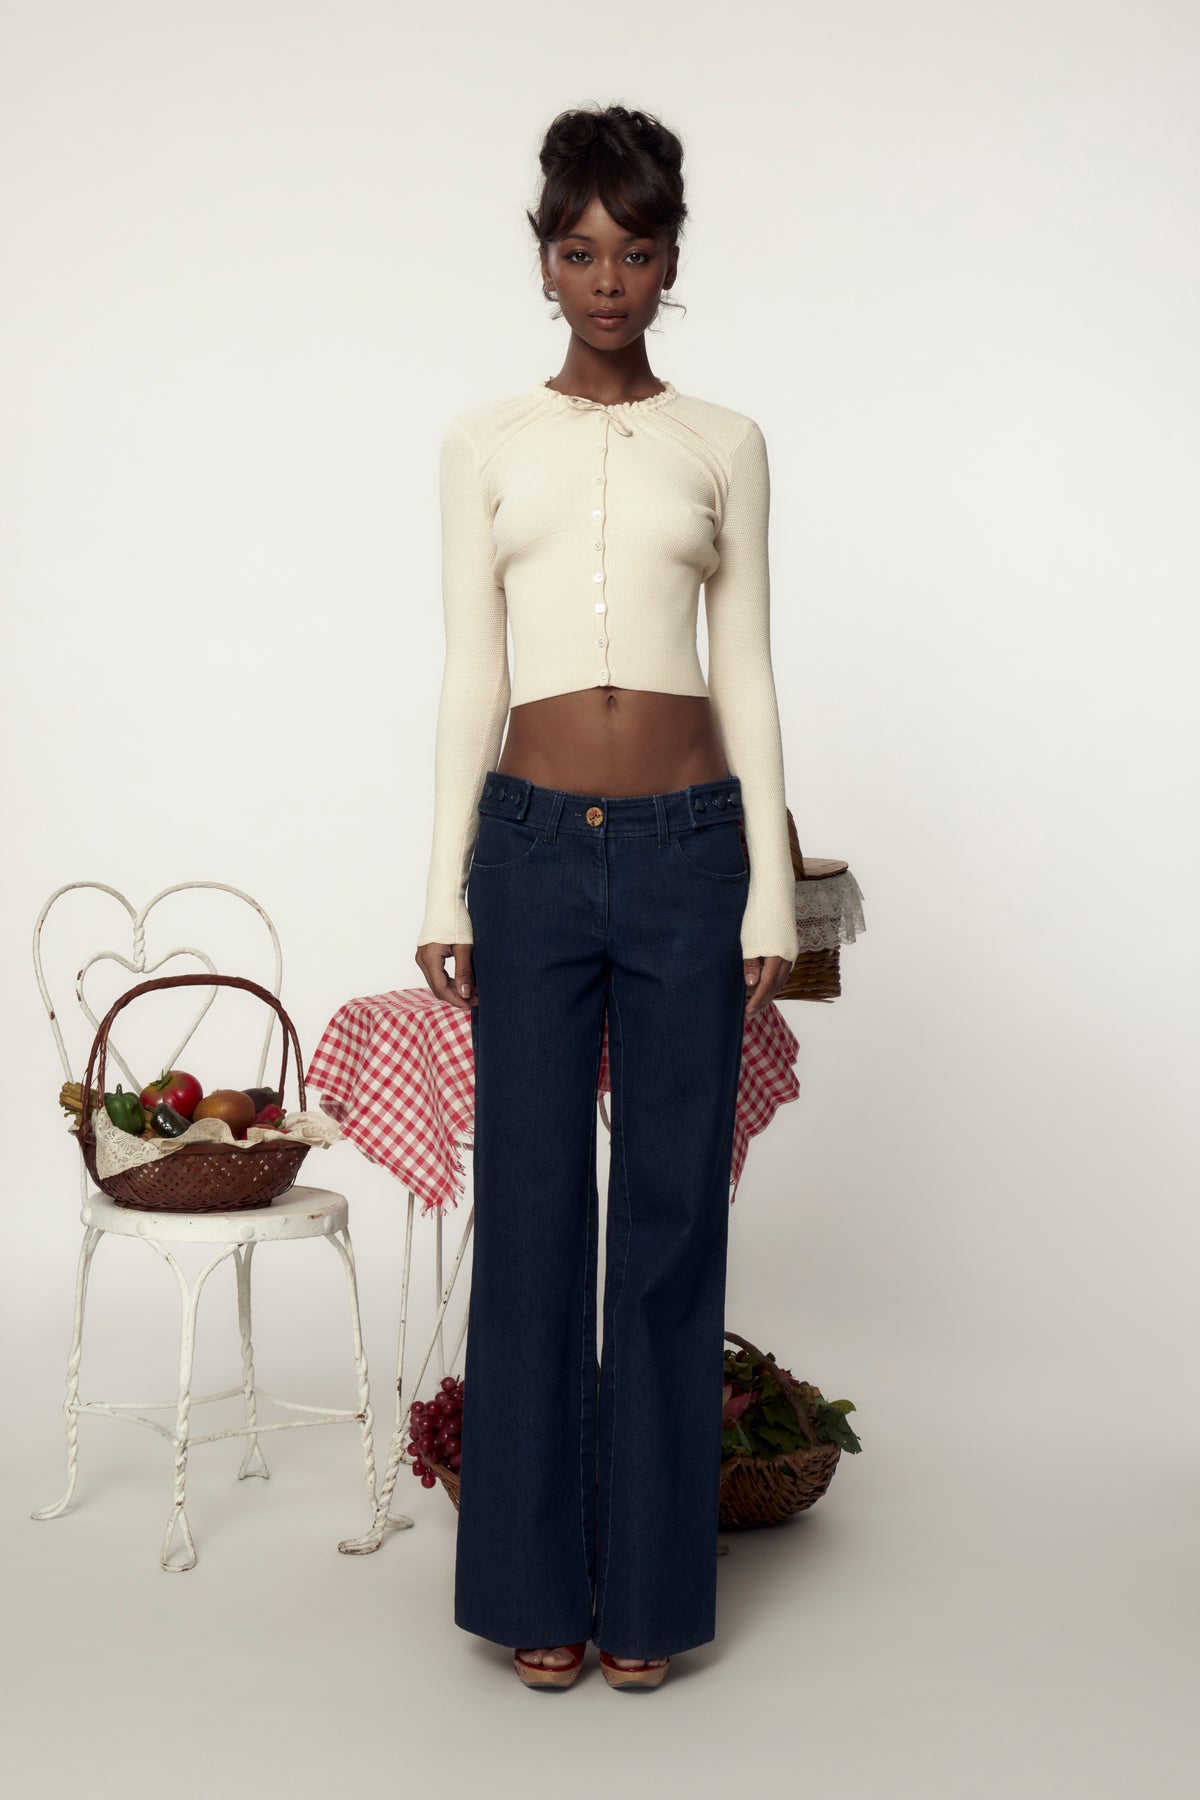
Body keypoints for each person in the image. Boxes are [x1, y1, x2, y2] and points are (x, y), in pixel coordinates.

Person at [415, 103, 800, 1691]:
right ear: (544, 260)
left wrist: (769, 893)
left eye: (635, 253)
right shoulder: (483, 443)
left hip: (690, 849)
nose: (608, 280)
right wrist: (443, 883)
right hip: (526, 851)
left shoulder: (726, 444)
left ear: (668, 260)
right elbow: (472, 671)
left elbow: (747, 667)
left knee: (668, 1215)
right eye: (580, 251)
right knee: (529, 1213)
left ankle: (647, 1598)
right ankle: (533, 1590)